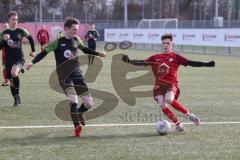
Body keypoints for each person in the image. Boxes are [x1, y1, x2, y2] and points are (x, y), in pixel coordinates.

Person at [26, 17, 106, 137]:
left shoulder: (76, 39)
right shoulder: (57, 41)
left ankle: (79, 112)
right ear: (66, 28)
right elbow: (43, 53)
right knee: (73, 99)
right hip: (64, 75)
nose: (76, 31)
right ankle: (76, 127)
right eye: (74, 29)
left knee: (89, 104)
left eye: (77, 29)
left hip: (77, 74)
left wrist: (98, 53)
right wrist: (32, 62)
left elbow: (84, 49)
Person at [122, 33, 215, 132]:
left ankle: (189, 115)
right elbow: (142, 62)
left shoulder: (175, 57)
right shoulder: (155, 57)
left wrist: (207, 64)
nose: (165, 45)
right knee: (162, 105)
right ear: (161, 44)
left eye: (168, 43)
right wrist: (129, 61)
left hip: (171, 83)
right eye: (164, 43)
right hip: (159, 85)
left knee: (169, 99)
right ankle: (179, 125)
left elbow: (191, 63)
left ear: (172, 45)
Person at [0, 11, 35, 106]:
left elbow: (31, 38)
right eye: (13, 19)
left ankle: (17, 94)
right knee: (11, 81)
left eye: (16, 19)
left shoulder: (21, 31)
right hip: (8, 59)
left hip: (19, 58)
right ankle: (16, 99)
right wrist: (4, 40)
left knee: (14, 73)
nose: (15, 21)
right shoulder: (4, 33)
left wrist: (33, 50)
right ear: (9, 20)